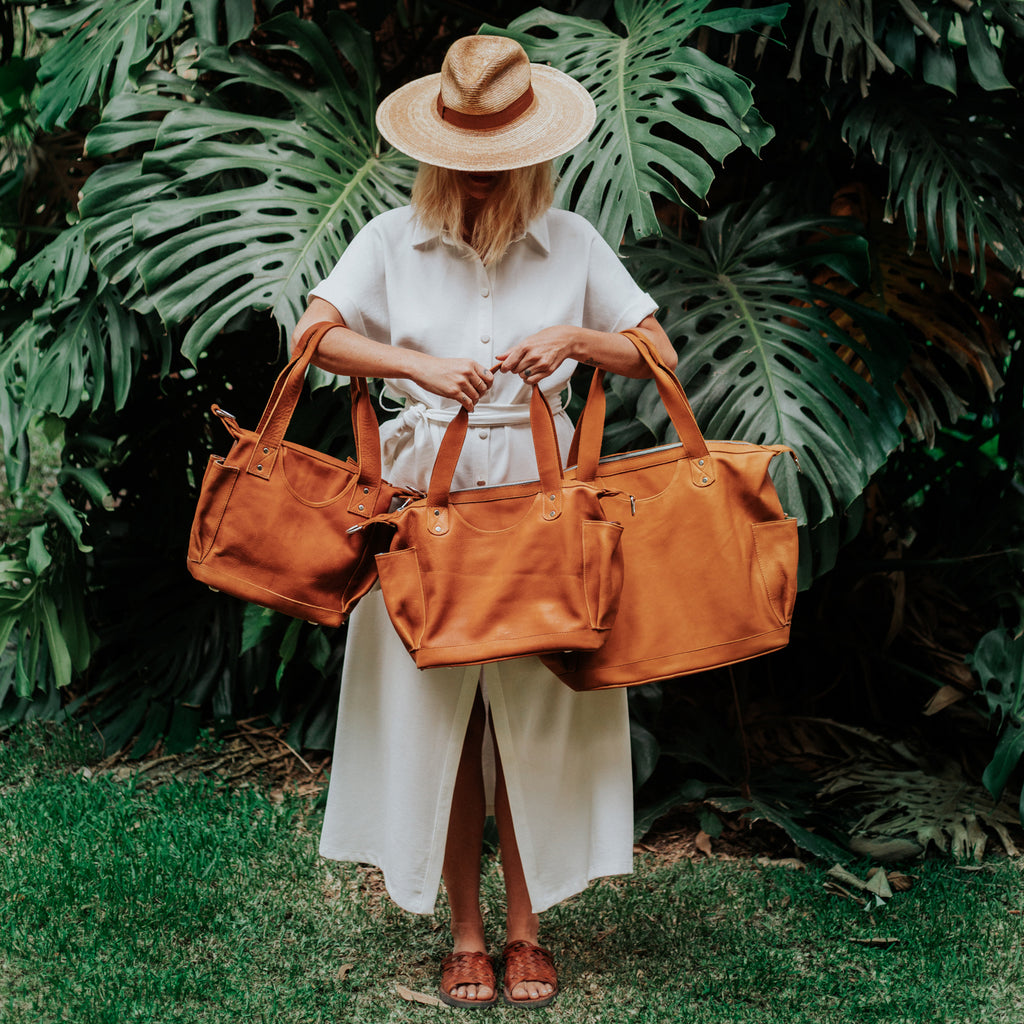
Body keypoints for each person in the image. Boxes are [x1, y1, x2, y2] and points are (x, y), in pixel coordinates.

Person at [292, 34, 676, 1009]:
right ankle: (467, 934)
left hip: (543, 506)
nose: (473, 182)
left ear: (529, 158)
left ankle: (526, 929)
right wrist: (414, 367)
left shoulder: (573, 241)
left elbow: (653, 351)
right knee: (446, 726)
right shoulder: (388, 238)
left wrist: (580, 338)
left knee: (536, 717)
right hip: (429, 507)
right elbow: (314, 336)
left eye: (493, 166)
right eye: (459, 164)